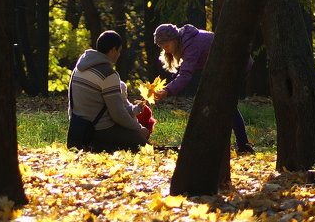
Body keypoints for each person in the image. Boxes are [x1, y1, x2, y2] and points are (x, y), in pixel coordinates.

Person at [153, 23, 255, 154]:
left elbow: (185, 75)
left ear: (175, 39)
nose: (166, 50)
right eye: (162, 47)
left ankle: (242, 146)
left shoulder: (190, 45)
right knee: (222, 104)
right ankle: (237, 145)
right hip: (224, 67)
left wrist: (167, 91)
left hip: (237, 64)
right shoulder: (187, 40)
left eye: (166, 46)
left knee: (226, 104)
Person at [67, 30, 150, 152]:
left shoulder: (79, 68)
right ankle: (100, 145)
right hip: (99, 129)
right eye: (119, 51)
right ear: (113, 50)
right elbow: (118, 114)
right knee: (145, 148)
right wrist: (139, 128)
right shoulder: (108, 75)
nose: (119, 55)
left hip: (77, 127)